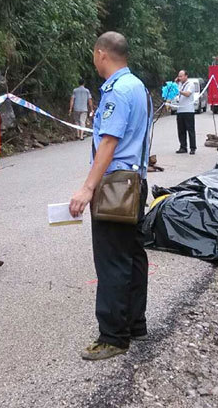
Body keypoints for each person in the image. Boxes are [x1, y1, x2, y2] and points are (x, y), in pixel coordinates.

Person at [69, 32, 151, 361]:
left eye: (94, 54)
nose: (94, 59)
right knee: (132, 254)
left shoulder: (117, 90)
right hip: (136, 181)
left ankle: (113, 337)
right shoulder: (140, 87)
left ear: (102, 54)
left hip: (116, 184)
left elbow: (108, 142)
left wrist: (88, 187)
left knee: (112, 259)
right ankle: (134, 323)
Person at [175, 69, 196, 154]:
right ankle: (183, 147)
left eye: (181, 76)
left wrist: (179, 91)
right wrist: (175, 84)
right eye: (178, 76)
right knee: (181, 130)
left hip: (188, 110)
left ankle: (192, 148)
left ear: (186, 76)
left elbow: (187, 94)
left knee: (190, 130)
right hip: (180, 110)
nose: (179, 78)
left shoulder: (190, 84)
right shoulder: (179, 84)